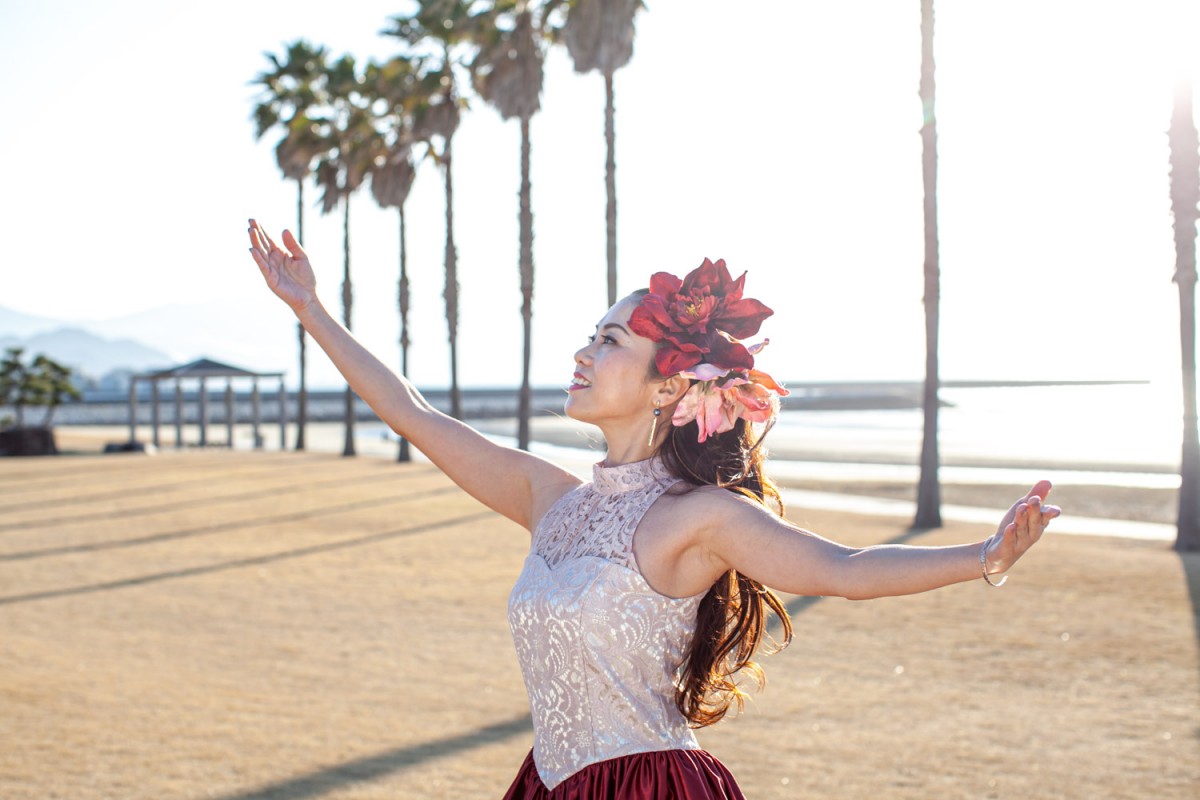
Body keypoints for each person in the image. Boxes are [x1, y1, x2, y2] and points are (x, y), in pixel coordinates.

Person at [247, 220, 1060, 799]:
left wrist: (984, 556)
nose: (582, 351)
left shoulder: (698, 517)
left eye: (607, 342)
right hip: (549, 784)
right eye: (590, 335)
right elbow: (415, 415)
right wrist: (311, 311)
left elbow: (843, 569)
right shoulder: (550, 498)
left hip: (652, 787)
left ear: (670, 387)